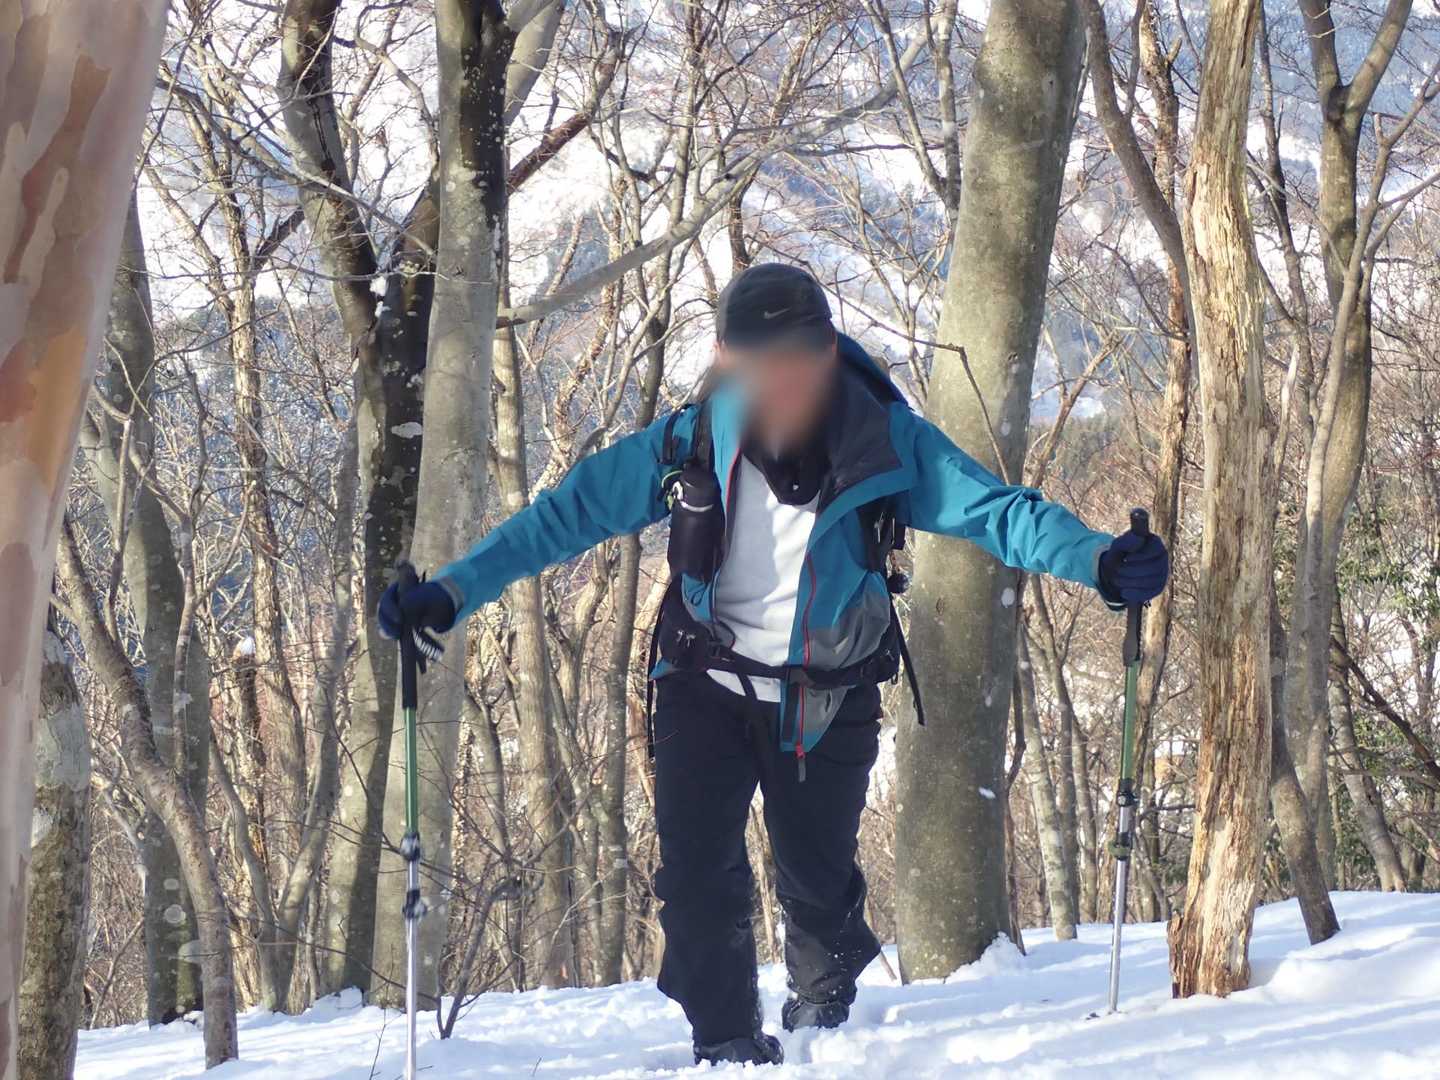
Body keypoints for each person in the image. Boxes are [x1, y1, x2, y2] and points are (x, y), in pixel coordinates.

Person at [378, 263, 1169, 1067]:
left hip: (827, 695)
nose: (784, 381)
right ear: (727, 359)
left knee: (818, 884)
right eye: (762, 363)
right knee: (696, 885)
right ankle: (724, 1047)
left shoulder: (884, 443)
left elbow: (998, 511)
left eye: (801, 358)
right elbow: (565, 513)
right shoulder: (688, 441)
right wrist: (452, 591)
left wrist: (1100, 562)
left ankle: (824, 1020)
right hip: (702, 682)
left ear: (829, 351)